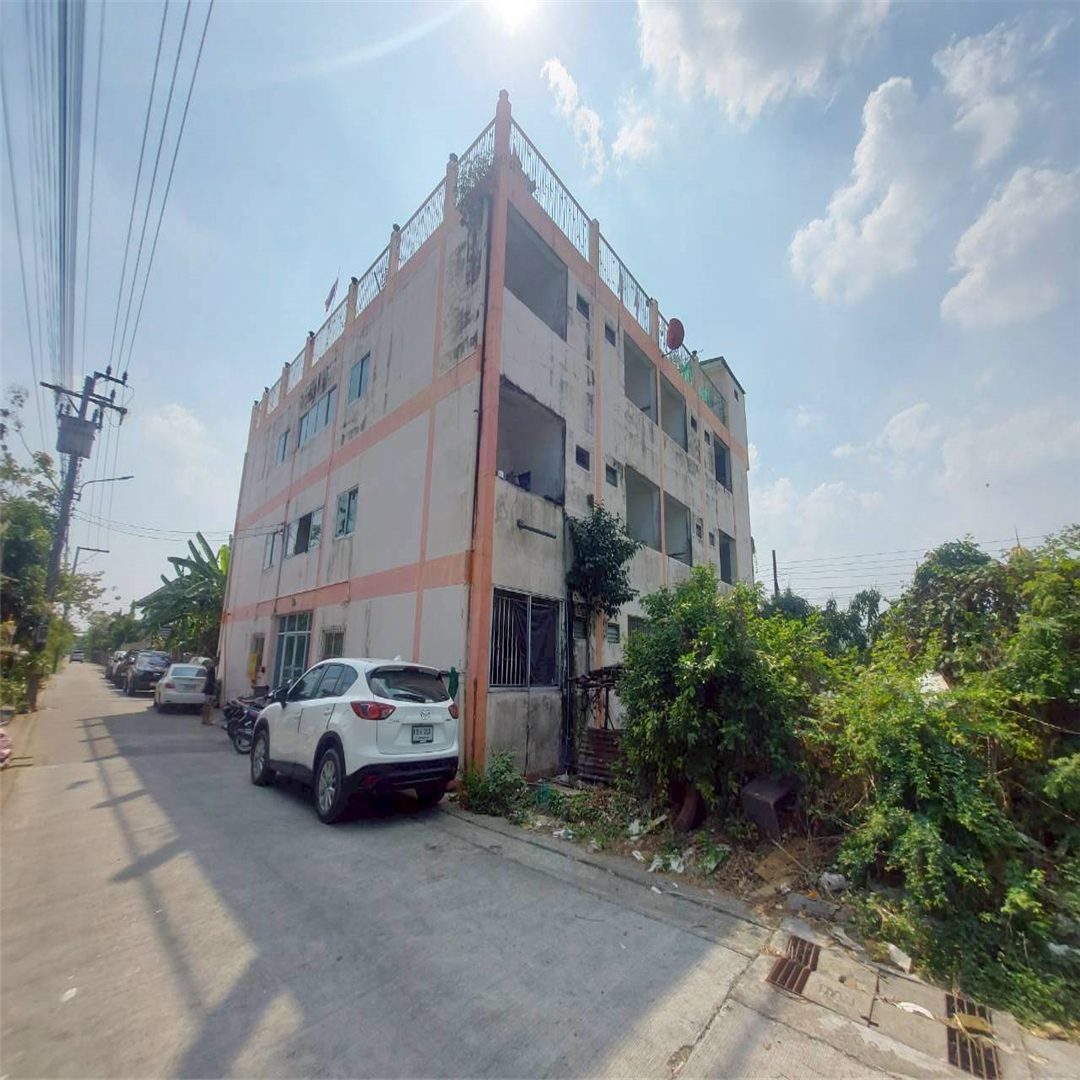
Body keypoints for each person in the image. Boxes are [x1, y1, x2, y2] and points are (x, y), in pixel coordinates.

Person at [201, 657, 217, 726]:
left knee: (205, 705)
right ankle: (207, 720)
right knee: (208, 705)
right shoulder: (212, 669)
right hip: (209, 689)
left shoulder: (209, 668)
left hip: (207, 688)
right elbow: (210, 680)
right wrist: (214, 686)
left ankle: (204, 719)